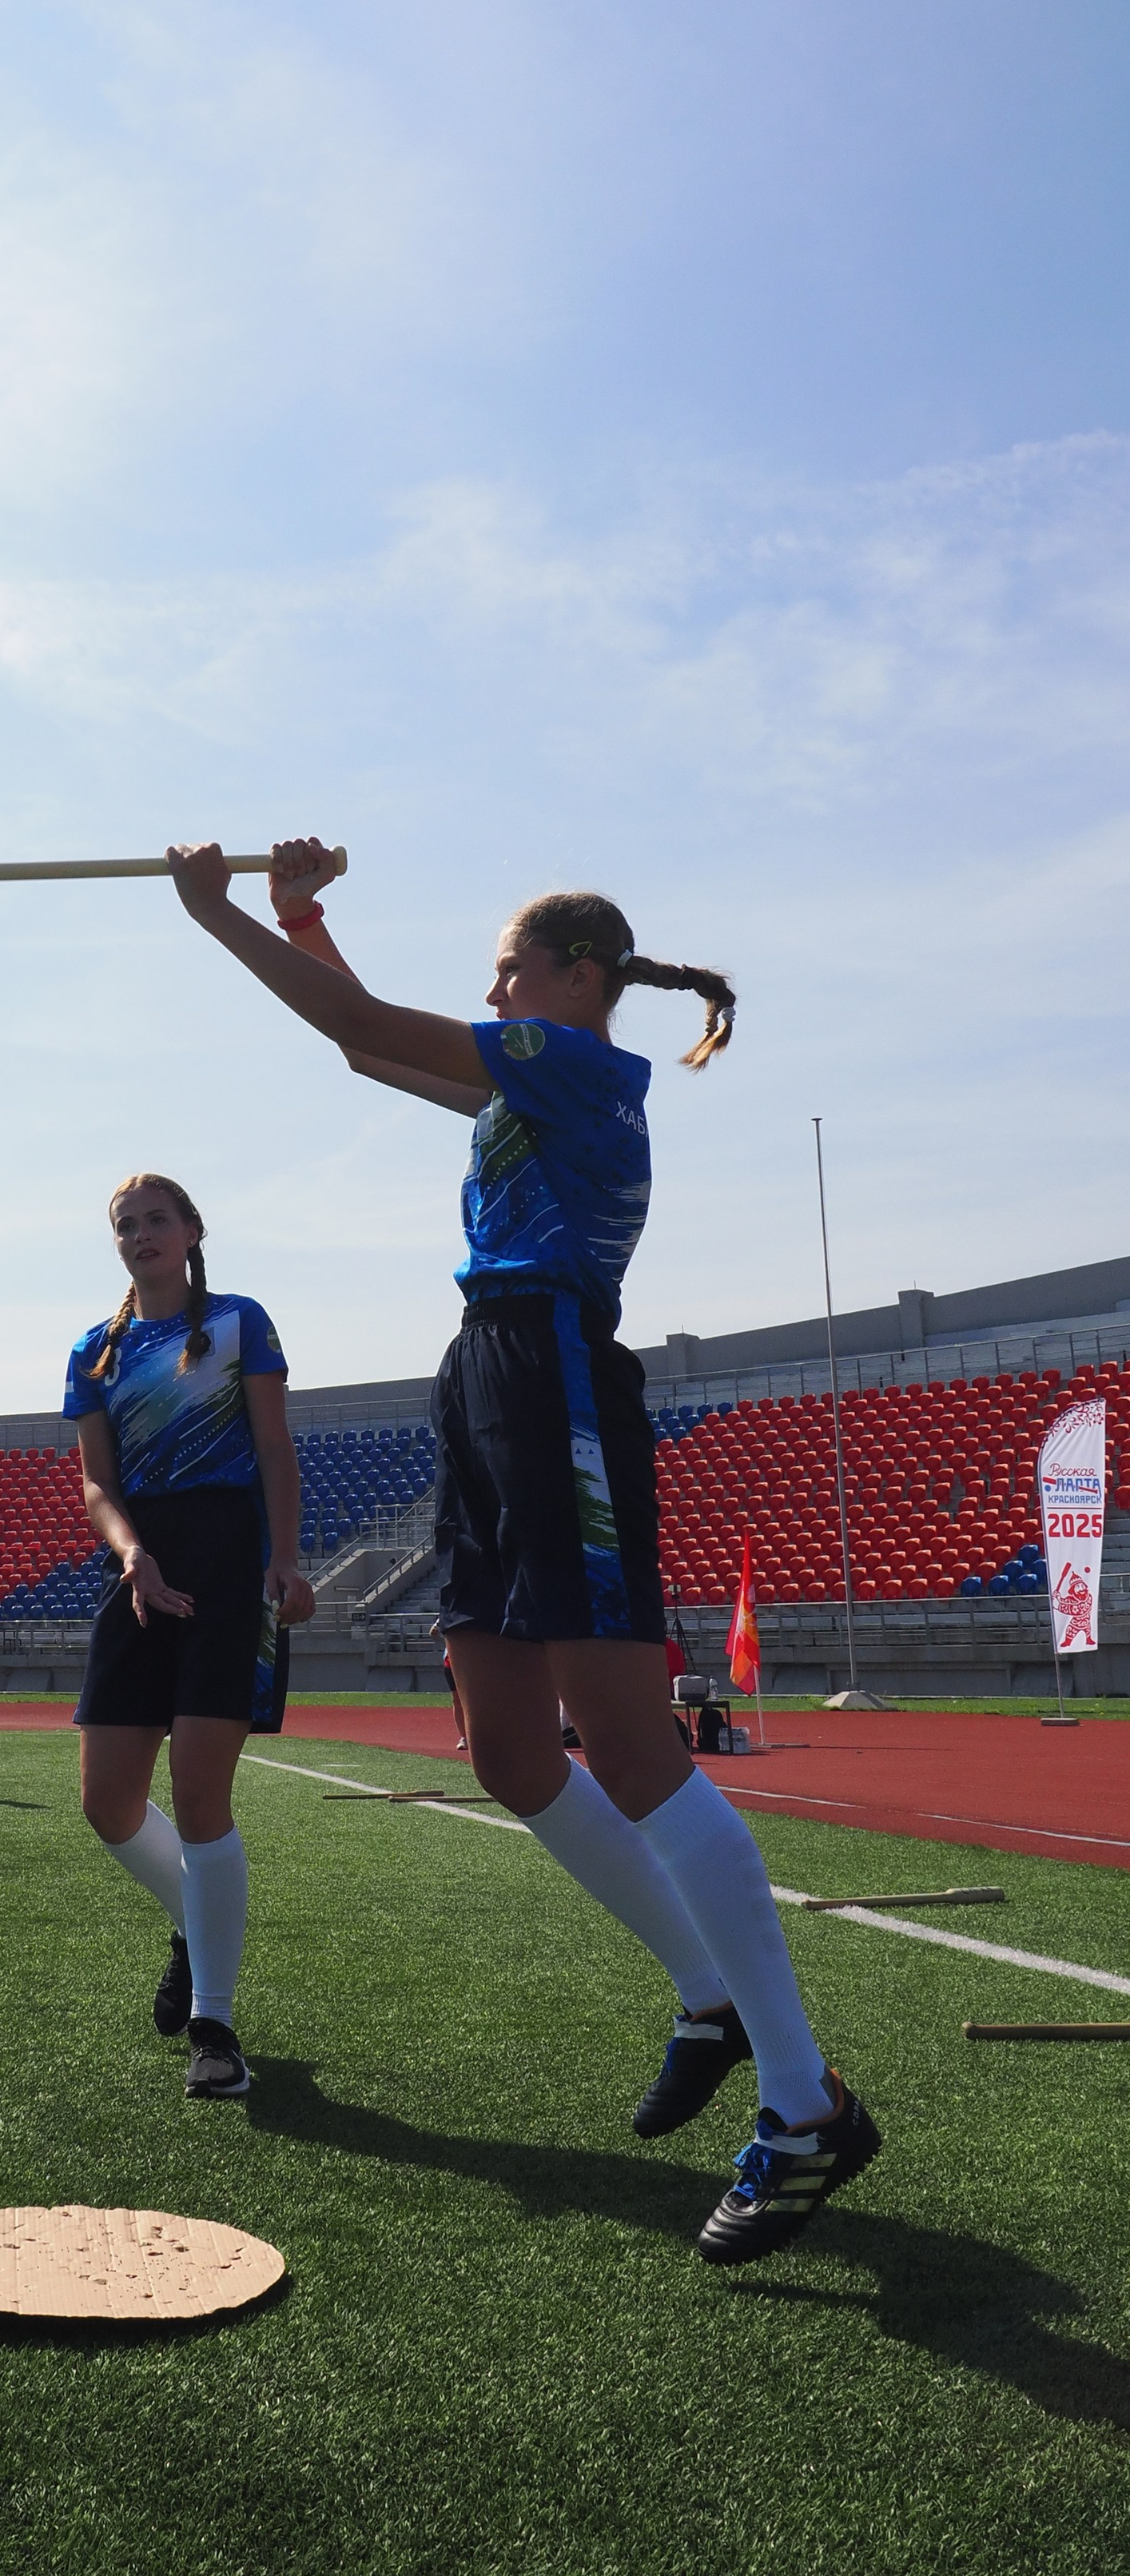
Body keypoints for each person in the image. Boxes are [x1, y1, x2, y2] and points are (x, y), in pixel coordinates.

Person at [165, 838, 878, 2264]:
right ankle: (707, 1998)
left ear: (582, 976)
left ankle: (806, 2110)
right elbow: (378, 1057)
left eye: (507, 963)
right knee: (504, 1746)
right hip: (487, 1376)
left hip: (552, 1374)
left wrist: (222, 918)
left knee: (627, 1743)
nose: (489, 985)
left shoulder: (583, 1071)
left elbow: (365, 1031)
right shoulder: (525, 1086)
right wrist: (303, 915)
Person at [66, 1172, 316, 2100]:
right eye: (126, 1226)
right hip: (138, 1570)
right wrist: (132, 1557)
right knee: (107, 1804)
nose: (141, 1235)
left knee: (200, 1795)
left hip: (227, 1571)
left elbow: (276, 1447)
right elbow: (97, 1485)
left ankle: (215, 2022)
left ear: (191, 1230)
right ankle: (191, 1921)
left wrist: (285, 1561)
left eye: (155, 1220)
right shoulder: (93, 1352)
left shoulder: (243, 1321)